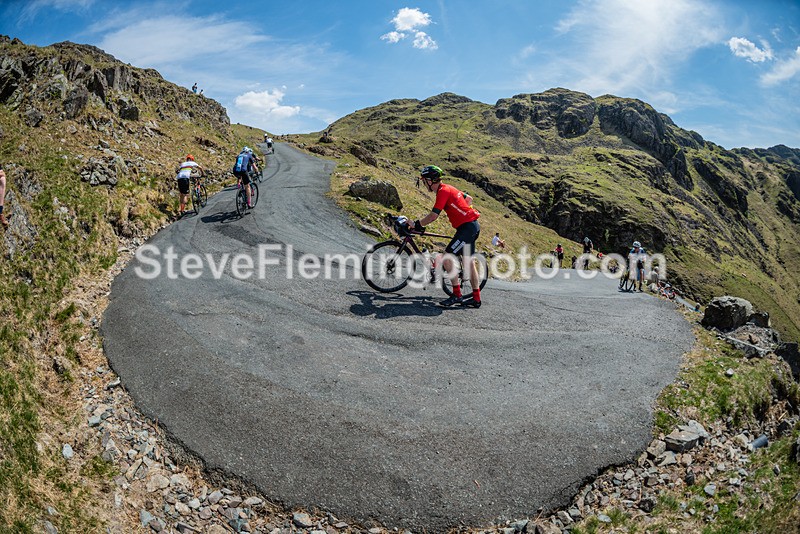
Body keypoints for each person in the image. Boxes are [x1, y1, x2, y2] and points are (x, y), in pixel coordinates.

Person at [409, 165, 482, 308]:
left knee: (447, 258)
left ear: (430, 181)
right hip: (471, 226)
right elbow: (469, 199)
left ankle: (457, 295)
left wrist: (417, 224)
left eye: (424, 181)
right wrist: (462, 211)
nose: (424, 184)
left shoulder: (443, 192)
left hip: (466, 229)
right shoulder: (449, 188)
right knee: (469, 263)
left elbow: (433, 216)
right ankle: (476, 299)